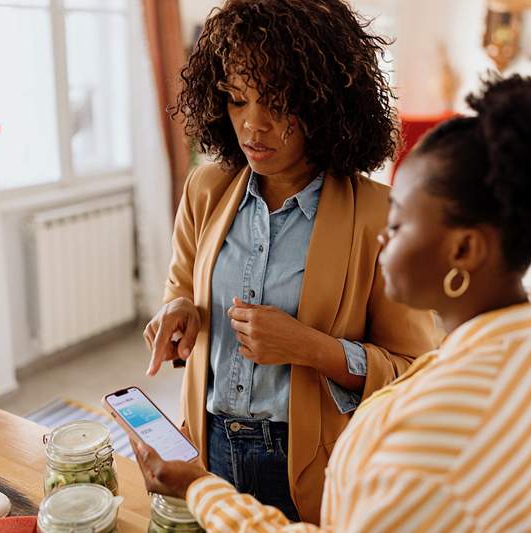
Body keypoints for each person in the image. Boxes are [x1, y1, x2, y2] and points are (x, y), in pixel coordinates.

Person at [132, 74, 531, 532]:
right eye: (237, 99)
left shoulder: (436, 434)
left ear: (464, 250)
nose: (384, 235)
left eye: (399, 222)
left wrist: (199, 488)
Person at [142, 0, 438, 523]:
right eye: (236, 101)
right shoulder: (206, 189)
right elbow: (180, 287)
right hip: (206, 446)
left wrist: (314, 349)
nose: (253, 127)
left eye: (276, 103)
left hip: (312, 463)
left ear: (325, 103)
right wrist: (180, 310)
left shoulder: (377, 215)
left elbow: (415, 373)